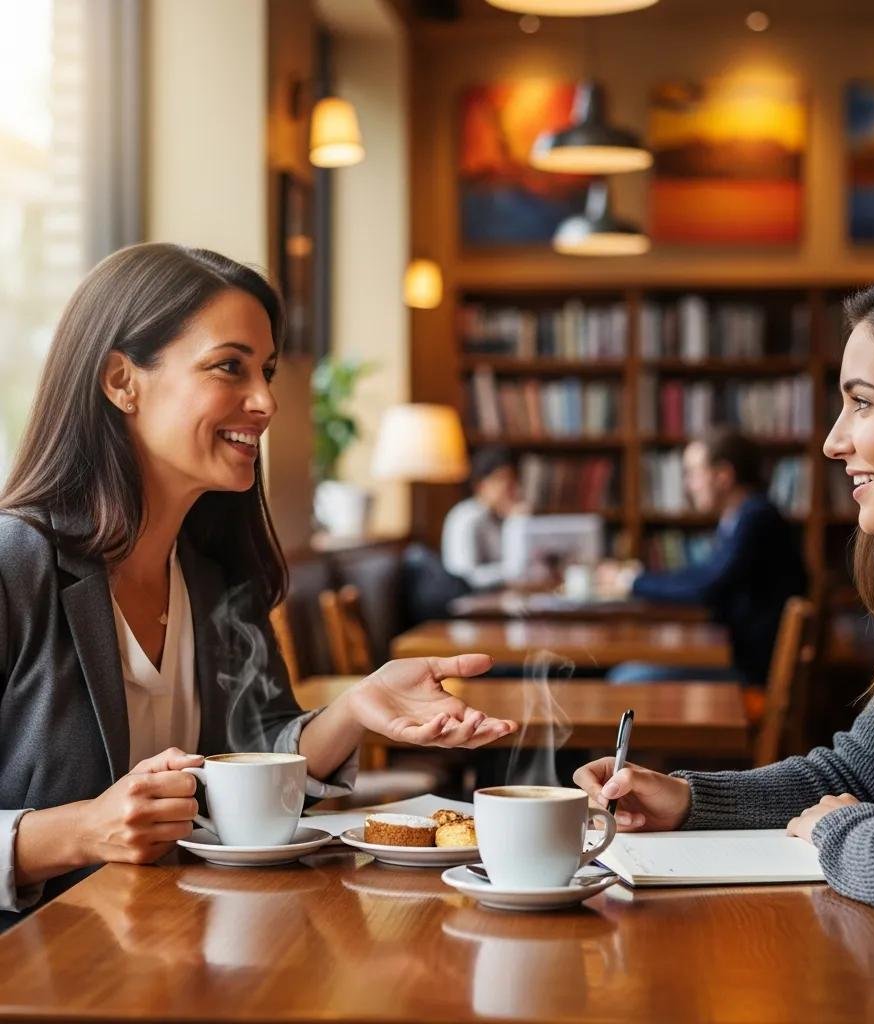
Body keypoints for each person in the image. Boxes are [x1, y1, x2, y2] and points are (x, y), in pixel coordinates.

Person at [0, 243, 516, 927]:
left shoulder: (215, 576)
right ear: (122, 380)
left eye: (267, 371)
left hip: (188, 942)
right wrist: (79, 831)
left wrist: (354, 710)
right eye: (229, 367)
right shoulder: (16, 564)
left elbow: (257, 756)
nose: (267, 401)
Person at [575, 258, 874, 1024]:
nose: (831, 442)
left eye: (862, 403)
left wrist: (833, 829)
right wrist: (691, 799)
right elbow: (860, 771)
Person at [610, 428, 807, 685]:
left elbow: (707, 588)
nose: (688, 486)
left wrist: (633, 582)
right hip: (740, 657)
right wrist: (638, 578)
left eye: (693, 473)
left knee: (627, 677)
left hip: (749, 672)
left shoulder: (756, 517)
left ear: (723, 476)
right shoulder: (741, 516)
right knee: (631, 669)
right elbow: (703, 574)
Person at [441, 445, 524, 590]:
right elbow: (466, 576)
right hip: (468, 596)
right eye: (501, 479)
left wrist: (517, 524)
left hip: (497, 593)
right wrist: (512, 571)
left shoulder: (503, 516)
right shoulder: (467, 518)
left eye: (512, 480)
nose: (508, 487)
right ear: (480, 485)